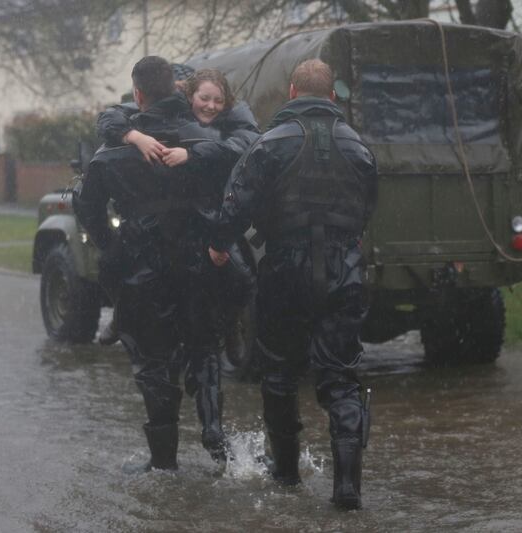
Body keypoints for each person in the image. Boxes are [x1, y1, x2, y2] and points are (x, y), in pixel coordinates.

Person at [208, 59, 378, 509]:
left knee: (280, 371)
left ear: (291, 93)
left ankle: (285, 474)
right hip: (343, 268)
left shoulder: (269, 144)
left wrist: (219, 244)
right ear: (333, 97)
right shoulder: (359, 146)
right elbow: (367, 208)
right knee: (340, 377)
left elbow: (235, 203)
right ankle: (347, 488)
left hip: (285, 267)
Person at [73, 56, 242, 471]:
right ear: (179, 90)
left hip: (142, 264)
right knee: (204, 346)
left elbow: (88, 206)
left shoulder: (113, 150)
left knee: (153, 357)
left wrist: (112, 246)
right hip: (199, 258)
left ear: (138, 95)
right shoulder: (211, 140)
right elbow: (240, 191)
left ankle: (164, 461)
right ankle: (213, 429)